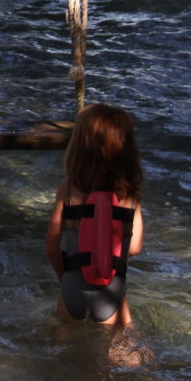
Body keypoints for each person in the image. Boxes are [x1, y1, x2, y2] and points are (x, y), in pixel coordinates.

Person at [45, 103, 144, 327]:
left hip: (71, 291)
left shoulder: (68, 189)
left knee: (63, 352)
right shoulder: (131, 195)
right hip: (112, 294)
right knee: (127, 351)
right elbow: (135, 247)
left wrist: (66, 277)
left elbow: (51, 247)